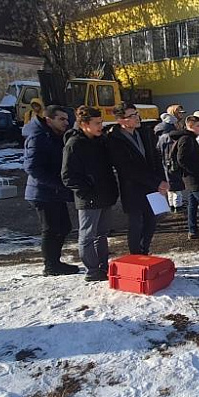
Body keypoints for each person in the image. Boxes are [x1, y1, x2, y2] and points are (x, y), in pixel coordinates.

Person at [62, 106, 119, 281]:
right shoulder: (74, 144)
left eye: (101, 122)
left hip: (105, 195)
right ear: (84, 124)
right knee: (87, 235)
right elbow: (67, 176)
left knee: (102, 234)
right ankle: (92, 270)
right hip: (89, 198)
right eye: (97, 123)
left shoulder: (100, 141)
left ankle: (103, 266)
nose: (100, 126)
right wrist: (87, 192)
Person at [23, 105, 80, 276]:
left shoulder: (53, 134)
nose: (66, 122)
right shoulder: (38, 137)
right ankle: (51, 265)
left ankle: (55, 262)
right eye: (61, 119)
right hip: (42, 192)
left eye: (66, 119)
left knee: (64, 227)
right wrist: (58, 184)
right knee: (51, 229)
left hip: (54, 192)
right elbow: (32, 168)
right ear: (49, 120)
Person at [107, 103, 169, 255]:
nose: (137, 118)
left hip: (152, 185)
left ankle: (144, 251)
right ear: (121, 120)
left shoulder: (144, 132)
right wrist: (156, 182)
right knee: (136, 223)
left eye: (136, 114)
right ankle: (135, 255)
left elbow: (156, 158)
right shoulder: (114, 139)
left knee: (151, 221)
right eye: (132, 116)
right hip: (133, 188)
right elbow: (127, 168)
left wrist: (162, 181)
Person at [155, 113, 185, 212]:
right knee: (176, 186)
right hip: (173, 163)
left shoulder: (160, 136)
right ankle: (178, 206)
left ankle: (171, 205)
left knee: (169, 186)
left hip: (164, 164)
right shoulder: (172, 136)